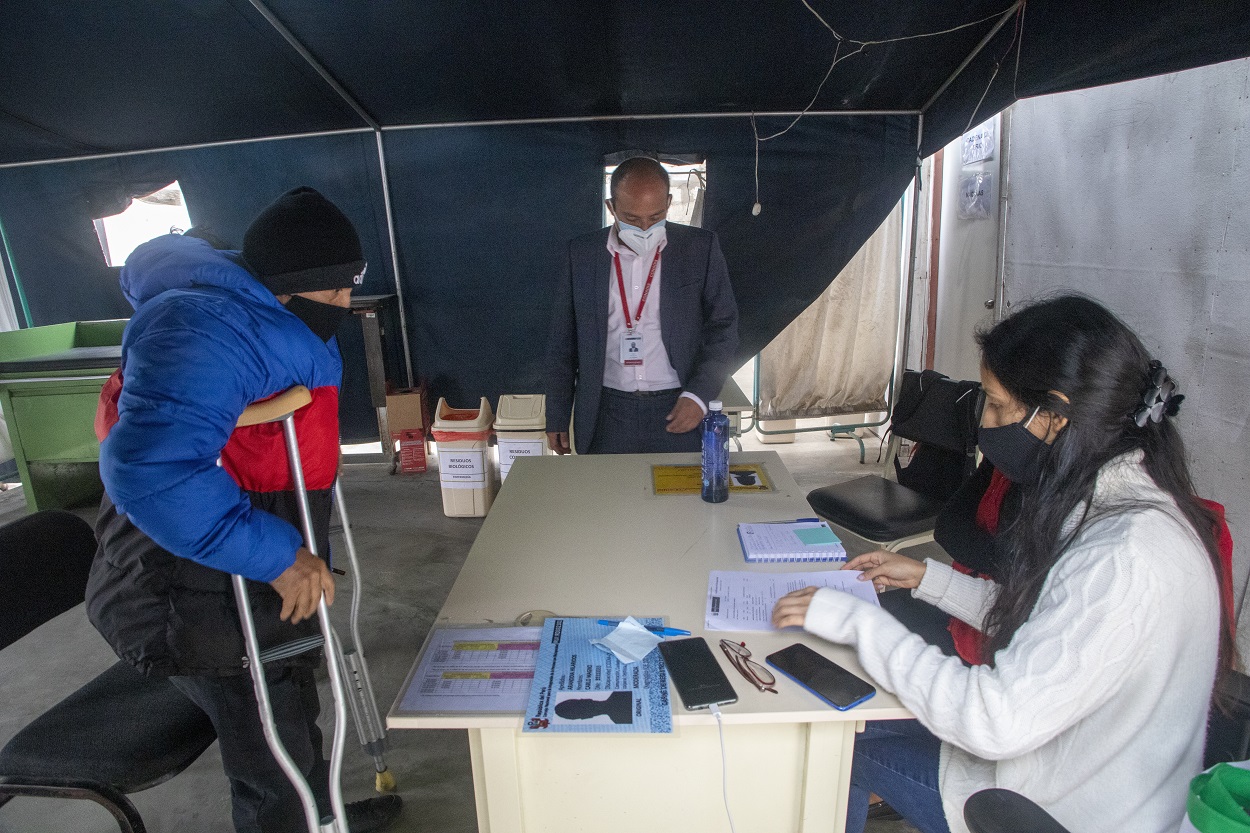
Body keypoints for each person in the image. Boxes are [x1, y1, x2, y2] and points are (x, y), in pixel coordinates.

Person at [772, 295, 1233, 833]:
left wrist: (854, 619)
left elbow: (993, 722)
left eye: (994, 404)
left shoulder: (1123, 554)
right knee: (856, 719)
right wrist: (928, 578)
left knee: (838, 742)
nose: (985, 424)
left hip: (1059, 809)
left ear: (1054, 416)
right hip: (1072, 769)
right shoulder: (1130, 506)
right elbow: (1055, 619)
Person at [86, 187, 402, 833]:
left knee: (288, 705)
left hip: (248, 541)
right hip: (192, 577)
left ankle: (322, 817)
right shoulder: (202, 328)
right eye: (336, 290)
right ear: (287, 285)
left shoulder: (260, 309)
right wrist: (280, 554)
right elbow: (152, 471)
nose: (346, 303)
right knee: (265, 745)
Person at [545, 156, 739, 454]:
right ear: (612, 207)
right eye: (632, 219)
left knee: (679, 499)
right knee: (610, 498)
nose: (646, 227)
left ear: (669, 202)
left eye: (656, 216)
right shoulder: (583, 254)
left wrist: (699, 396)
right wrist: (557, 414)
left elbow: (723, 328)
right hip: (607, 411)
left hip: (678, 406)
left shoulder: (699, 248)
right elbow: (563, 342)